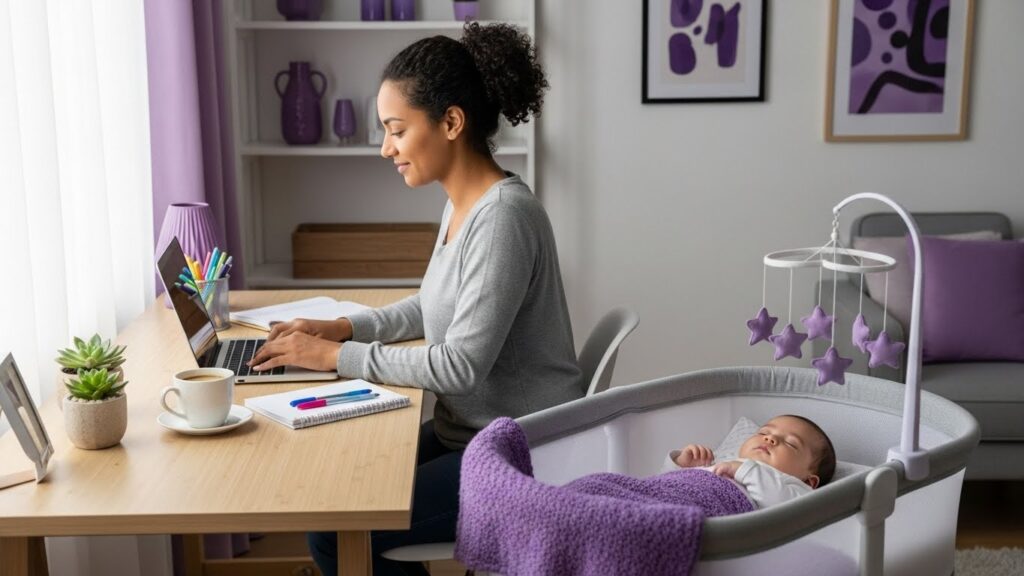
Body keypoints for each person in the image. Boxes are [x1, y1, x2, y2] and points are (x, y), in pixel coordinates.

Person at [247, 22, 582, 576]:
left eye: (396, 130)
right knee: (340, 494)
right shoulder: (463, 204)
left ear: (451, 122)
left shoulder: (502, 219)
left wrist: (335, 358)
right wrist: (344, 329)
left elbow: (460, 367)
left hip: (520, 452)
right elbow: (430, 304)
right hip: (473, 435)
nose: (386, 149)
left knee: (337, 533)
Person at [662, 415, 836, 508]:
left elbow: (786, 507)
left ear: (809, 481)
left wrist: (746, 470)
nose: (770, 438)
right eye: (763, 432)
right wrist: (681, 465)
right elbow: (664, 483)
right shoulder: (720, 462)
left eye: (791, 443)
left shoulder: (795, 489)